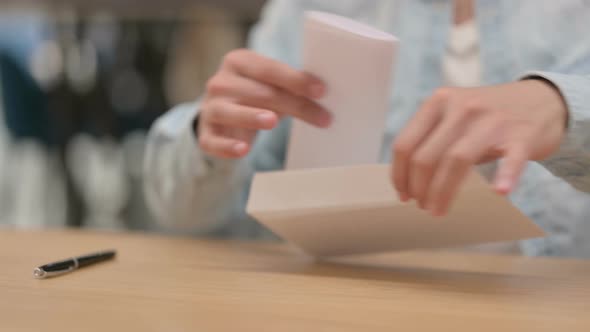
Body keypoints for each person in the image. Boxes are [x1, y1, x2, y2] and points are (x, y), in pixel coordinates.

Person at [144, 0, 590, 255]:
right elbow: (188, 219)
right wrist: (213, 136)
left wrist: (561, 107)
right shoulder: (314, 8)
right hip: (356, 307)